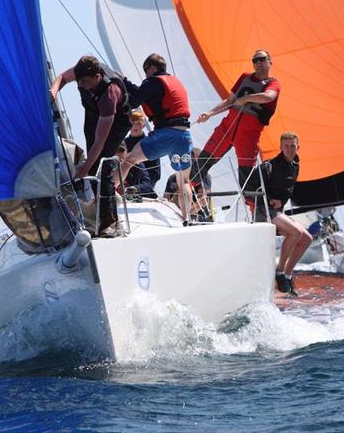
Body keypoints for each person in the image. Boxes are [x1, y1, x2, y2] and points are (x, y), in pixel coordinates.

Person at [50, 55, 134, 237]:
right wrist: (54, 91)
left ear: (97, 76)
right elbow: (62, 78)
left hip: (115, 122)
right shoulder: (83, 72)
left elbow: (100, 142)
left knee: (101, 166)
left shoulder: (109, 93)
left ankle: (109, 223)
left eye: (86, 82)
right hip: (93, 115)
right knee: (94, 164)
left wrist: (85, 168)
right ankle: (97, 212)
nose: (82, 85)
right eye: (79, 82)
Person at [118, 53, 193, 222]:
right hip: (184, 135)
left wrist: (122, 86)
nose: (145, 76)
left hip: (165, 134)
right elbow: (144, 93)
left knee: (129, 160)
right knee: (184, 181)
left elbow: (135, 100)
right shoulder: (175, 82)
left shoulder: (152, 81)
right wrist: (126, 80)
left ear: (151, 68)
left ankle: (107, 196)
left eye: (146, 72)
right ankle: (187, 219)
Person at [193, 49, 280, 191]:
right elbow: (230, 100)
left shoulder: (273, 83)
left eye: (262, 59)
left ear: (270, 62)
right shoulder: (245, 77)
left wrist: (246, 98)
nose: (258, 63)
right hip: (226, 128)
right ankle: (186, 193)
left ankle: (254, 207)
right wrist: (209, 113)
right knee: (202, 163)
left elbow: (269, 96)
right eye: (255, 60)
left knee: (247, 180)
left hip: (248, 135)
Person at [253, 132, 312, 296]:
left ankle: (287, 275)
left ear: (298, 147)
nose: (289, 149)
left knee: (307, 239)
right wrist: (271, 199)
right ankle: (279, 273)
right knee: (296, 232)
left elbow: (289, 190)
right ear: (280, 147)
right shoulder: (269, 166)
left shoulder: (295, 164)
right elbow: (250, 188)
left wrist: (281, 201)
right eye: (286, 146)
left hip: (278, 212)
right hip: (264, 211)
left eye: (293, 146)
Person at [124, 110, 161, 186]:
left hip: (142, 187)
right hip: (122, 185)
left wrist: (143, 188)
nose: (135, 126)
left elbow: (155, 173)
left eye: (138, 123)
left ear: (143, 125)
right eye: (132, 123)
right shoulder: (123, 144)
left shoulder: (151, 144)